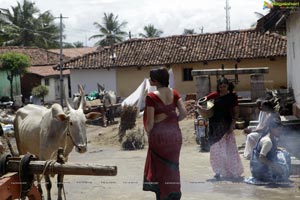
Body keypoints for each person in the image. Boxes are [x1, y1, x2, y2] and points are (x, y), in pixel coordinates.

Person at [143, 67, 187, 200]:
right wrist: (172, 120)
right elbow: (184, 113)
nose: (150, 80)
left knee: (160, 170)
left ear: (155, 80)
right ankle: (174, 194)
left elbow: (150, 123)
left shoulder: (151, 97)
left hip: (159, 138)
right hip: (175, 136)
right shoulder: (174, 93)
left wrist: (149, 133)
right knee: (173, 167)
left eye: (151, 78)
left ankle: (163, 197)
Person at [197, 76, 243, 179]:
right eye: (220, 86)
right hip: (214, 125)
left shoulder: (232, 97)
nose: (222, 88)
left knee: (229, 149)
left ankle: (232, 171)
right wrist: (203, 109)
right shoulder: (214, 95)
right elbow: (201, 103)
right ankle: (218, 171)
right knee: (215, 149)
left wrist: (233, 124)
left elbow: (236, 111)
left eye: (224, 86)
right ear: (218, 87)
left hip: (226, 124)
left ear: (228, 86)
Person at [248, 115, 291, 183]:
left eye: (281, 130)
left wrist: (279, 149)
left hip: (259, 167)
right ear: (272, 129)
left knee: (284, 153)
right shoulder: (268, 141)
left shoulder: (270, 137)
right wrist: (275, 167)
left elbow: (269, 149)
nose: (280, 132)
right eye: (278, 130)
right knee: (282, 172)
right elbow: (261, 157)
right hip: (259, 171)